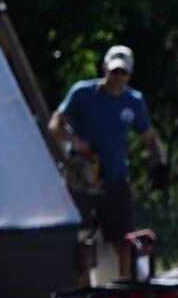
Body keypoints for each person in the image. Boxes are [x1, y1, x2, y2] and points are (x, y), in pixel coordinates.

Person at [49, 46, 171, 275]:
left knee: (123, 241)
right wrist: (75, 141)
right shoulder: (83, 93)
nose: (117, 77)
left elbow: (151, 139)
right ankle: (81, 293)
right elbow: (55, 125)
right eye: (113, 71)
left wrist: (160, 165)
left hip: (115, 179)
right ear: (105, 68)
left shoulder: (134, 101)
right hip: (82, 179)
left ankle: (124, 292)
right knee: (80, 238)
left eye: (122, 73)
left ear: (130, 74)